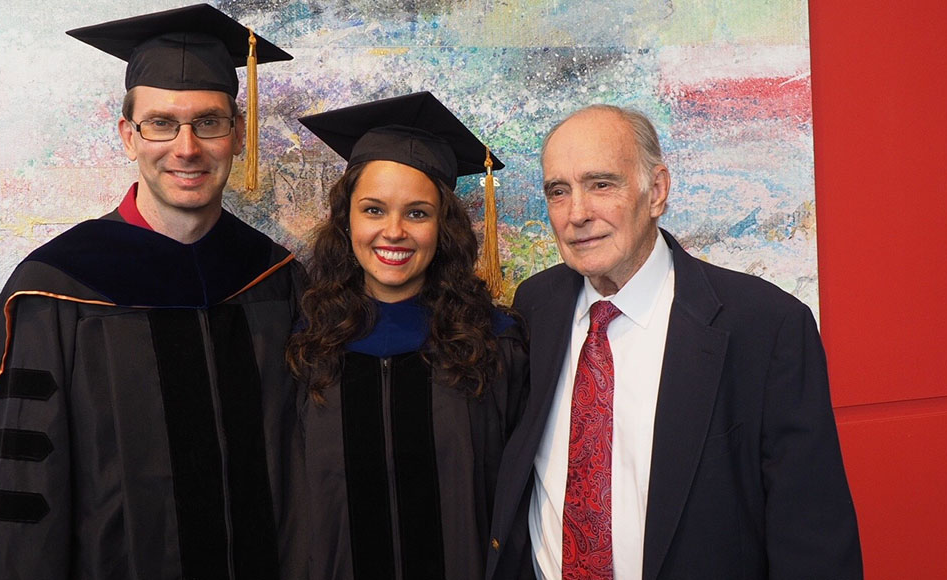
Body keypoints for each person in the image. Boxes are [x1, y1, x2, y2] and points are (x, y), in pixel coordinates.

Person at [0, 5, 305, 579]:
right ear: (128, 136)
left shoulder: (275, 280)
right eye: (161, 123)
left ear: (237, 135)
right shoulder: (57, 290)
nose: (186, 148)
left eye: (208, 122)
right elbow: (21, 494)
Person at [486, 105, 862, 580]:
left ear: (656, 191)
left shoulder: (766, 328)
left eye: (601, 184)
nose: (577, 213)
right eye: (559, 191)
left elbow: (814, 543)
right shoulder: (536, 306)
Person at [288, 91, 529, 580]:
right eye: (373, 210)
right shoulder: (309, 346)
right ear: (347, 219)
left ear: (444, 225)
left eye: (417, 213)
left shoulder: (492, 345)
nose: (393, 231)